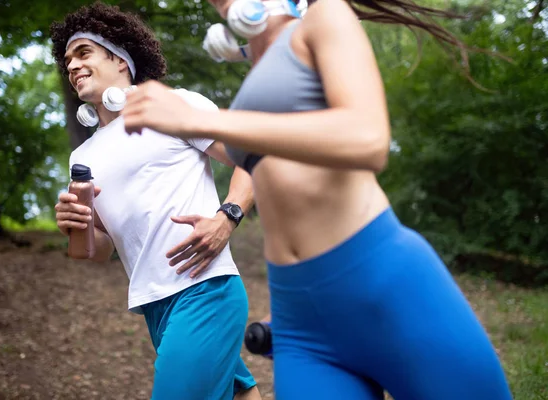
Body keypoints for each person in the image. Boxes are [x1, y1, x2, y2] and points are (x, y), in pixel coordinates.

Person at [120, 0, 514, 399]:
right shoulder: (260, 61)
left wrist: (199, 118)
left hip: (377, 281)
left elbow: (368, 137)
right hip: (300, 316)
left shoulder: (325, 14)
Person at [49, 3, 262, 399]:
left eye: (83, 53)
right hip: (153, 304)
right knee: (239, 392)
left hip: (206, 290)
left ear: (120, 59)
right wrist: (77, 226)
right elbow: (96, 252)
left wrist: (228, 216)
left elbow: (251, 157)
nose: (72, 66)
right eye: (67, 60)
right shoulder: (83, 158)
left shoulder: (173, 106)